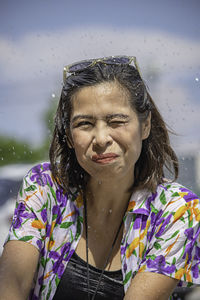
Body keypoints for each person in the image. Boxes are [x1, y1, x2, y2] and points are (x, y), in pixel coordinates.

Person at [0, 56, 199, 300]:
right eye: (85, 123)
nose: (101, 138)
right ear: (70, 137)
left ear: (145, 125)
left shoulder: (176, 209)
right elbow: (11, 286)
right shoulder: (46, 187)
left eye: (116, 121)